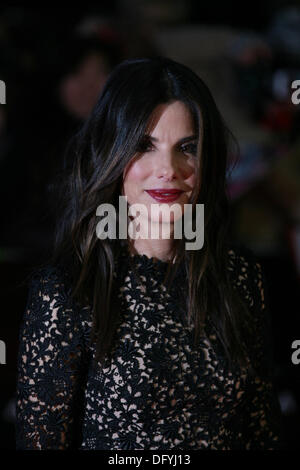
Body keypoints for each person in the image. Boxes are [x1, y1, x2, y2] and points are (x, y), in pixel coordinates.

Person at [15, 57, 283, 450]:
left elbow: (263, 432)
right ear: (113, 152)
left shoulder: (239, 276)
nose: (169, 169)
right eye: (145, 145)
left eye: (187, 147)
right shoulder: (67, 292)